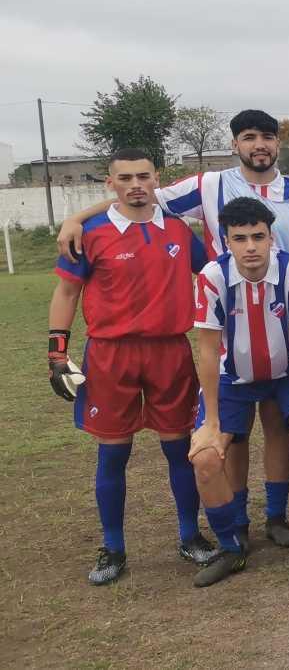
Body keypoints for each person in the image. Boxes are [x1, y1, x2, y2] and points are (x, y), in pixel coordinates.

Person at [56, 110, 289, 550]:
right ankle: (237, 520)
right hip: (229, 325)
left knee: (278, 427)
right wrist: (78, 218)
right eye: (249, 137)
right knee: (234, 435)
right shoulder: (209, 184)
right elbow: (140, 196)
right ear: (235, 144)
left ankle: (276, 517)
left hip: (287, 328)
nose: (259, 144)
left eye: (267, 137)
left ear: (278, 143)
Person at [48, 149, 213, 585]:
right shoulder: (90, 233)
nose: (135, 184)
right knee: (113, 452)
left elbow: (213, 275)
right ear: (111, 183)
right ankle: (113, 548)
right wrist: (57, 354)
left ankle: (190, 535)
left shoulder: (178, 229)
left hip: (169, 350)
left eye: (143, 176)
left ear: (157, 178)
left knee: (179, 448)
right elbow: (66, 293)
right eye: (125, 178)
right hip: (110, 354)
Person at [187, 197, 289, 586]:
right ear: (226, 241)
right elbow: (208, 350)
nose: (251, 246)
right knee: (205, 456)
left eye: (258, 236)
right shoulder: (211, 277)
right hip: (232, 379)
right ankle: (231, 546)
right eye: (240, 238)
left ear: (272, 237)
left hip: (287, 374)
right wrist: (211, 421)